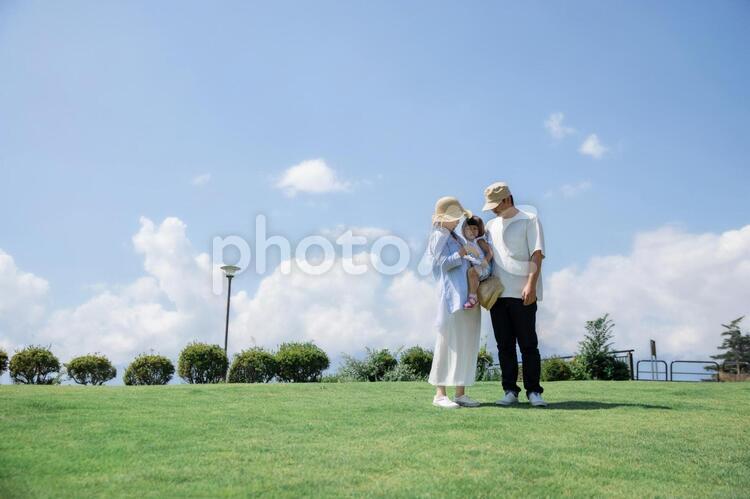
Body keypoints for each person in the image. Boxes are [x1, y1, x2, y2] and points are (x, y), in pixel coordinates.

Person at [482, 182, 548, 407]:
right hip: (498, 295)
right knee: (504, 346)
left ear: (507, 199)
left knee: (528, 345)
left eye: (495, 204)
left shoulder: (530, 220)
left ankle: (534, 392)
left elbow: (537, 255)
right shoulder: (490, 225)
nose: (492, 209)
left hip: (523, 293)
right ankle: (510, 390)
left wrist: (531, 285)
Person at [425, 196, 482, 409]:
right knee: (447, 342)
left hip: (467, 295)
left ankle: (460, 392)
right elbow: (439, 265)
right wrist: (462, 253)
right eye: (454, 217)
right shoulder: (439, 236)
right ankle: (440, 394)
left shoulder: (454, 235)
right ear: (444, 218)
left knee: (465, 343)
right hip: (452, 296)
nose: (458, 221)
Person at [461, 216, 494, 309]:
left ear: (479, 230)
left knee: (471, 272)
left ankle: (473, 298)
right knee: (471, 272)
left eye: (475, 228)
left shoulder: (479, 241)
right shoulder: (466, 244)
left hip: (485, 267)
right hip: (478, 267)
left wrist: (485, 262)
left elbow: (490, 252)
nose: (471, 231)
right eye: (468, 228)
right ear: (464, 230)